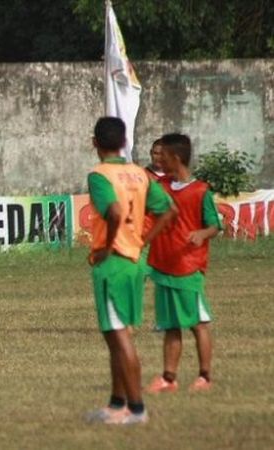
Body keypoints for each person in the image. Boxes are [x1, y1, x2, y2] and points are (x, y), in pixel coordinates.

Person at [84, 117, 176, 425]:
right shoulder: (140, 174)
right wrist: (142, 240)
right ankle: (116, 404)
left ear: (94, 142)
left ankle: (136, 409)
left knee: (120, 336)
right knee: (115, 335)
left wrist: (107, 247)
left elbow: (113, 211)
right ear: (124, 142)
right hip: (134, 261)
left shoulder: (99, 175)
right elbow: (168, 210)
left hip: (114, 263)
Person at [144, 133, 221, 394]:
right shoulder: (160, 186)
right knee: (170, 325)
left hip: (188, 266)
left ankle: (205, 376)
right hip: (164, 266)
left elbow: (214, 224)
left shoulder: (200, 191)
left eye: (162, 155)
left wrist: (201, 233)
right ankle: (168, 377)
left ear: (175, 158)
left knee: (198, 323)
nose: (158, 159)